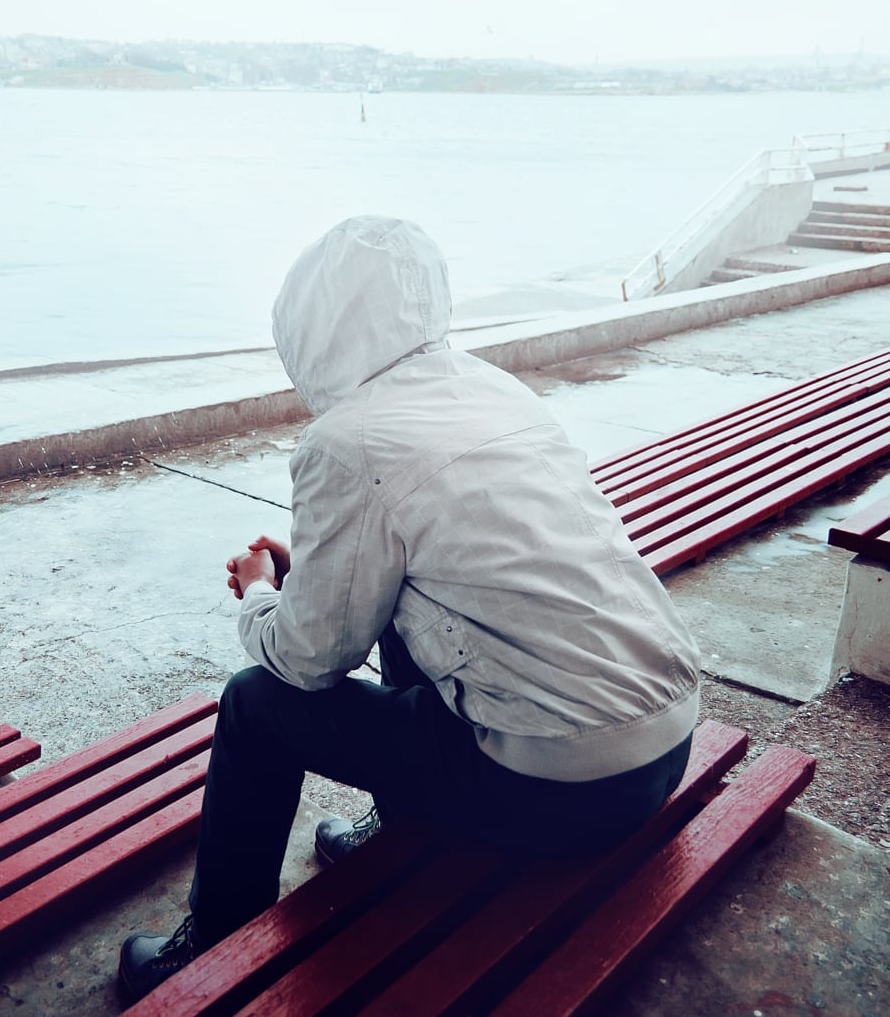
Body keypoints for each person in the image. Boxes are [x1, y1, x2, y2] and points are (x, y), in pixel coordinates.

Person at [118, 215, 702, 1001]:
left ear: (311, 326)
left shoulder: (348, 439)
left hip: (557, 790)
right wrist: (316, 577)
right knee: (393, 610)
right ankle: (408, 820)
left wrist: (260, 589)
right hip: (664, 747)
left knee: (254, 704)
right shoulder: (492, 387)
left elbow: (306, 663)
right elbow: (445, 570)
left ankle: (212, 944)